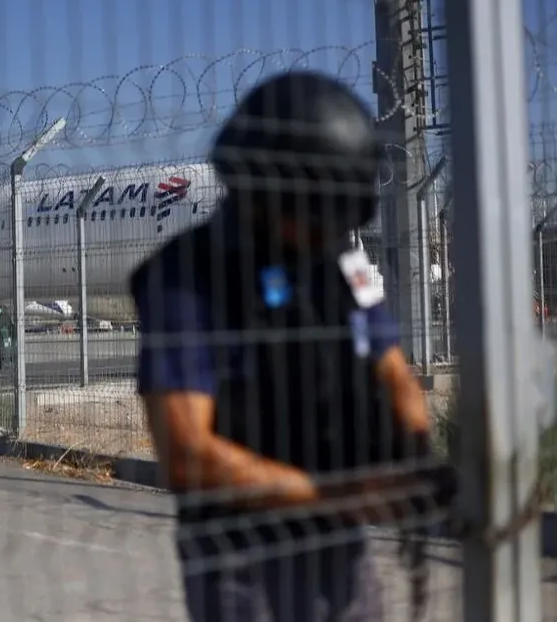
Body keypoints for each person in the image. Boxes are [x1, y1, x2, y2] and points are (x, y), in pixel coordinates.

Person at [129, 71, 453, 621]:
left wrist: (417, 458)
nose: (331, 234)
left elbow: (393, 369)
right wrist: (339, 495)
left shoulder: (335, 261)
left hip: (340, 548)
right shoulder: (187, 278)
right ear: (267, 193)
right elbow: (186, 454)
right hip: (245, 560)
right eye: (319, 214)